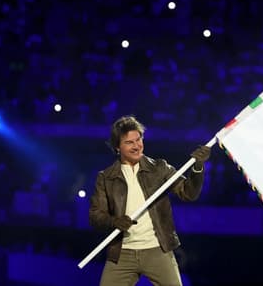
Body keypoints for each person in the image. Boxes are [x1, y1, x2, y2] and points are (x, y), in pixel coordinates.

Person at [88, 115, 211, 286]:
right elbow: (95, 216)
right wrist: (114, 221)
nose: (137, 146)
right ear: (117, 147)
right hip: (122, 253)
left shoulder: (159, 168)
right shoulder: (106, 177)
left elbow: (188, 193)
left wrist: (198, 167)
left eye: (138, 139)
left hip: (157, 249)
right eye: (129, 142)